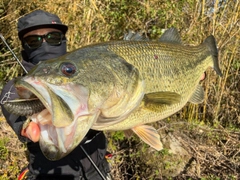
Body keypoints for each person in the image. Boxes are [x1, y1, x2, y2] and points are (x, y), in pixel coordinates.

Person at [0, 10, 112, 180]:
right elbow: (19, 114)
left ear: (63, 41)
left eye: (53, 38)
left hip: (98, 172)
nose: (45, 45)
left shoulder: (90, 72)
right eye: (33, 40)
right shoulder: (16, 87)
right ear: (25, 47)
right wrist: (29, 126)